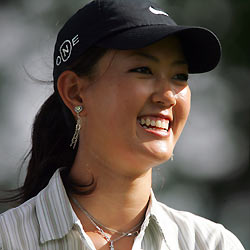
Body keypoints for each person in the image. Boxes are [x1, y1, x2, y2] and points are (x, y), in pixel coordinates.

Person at [0, 0, 245, 249]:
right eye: (143, 69)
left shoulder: (211, 243)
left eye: (179, 76)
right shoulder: (8, 239)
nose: (169, 95)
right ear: (75, 92)